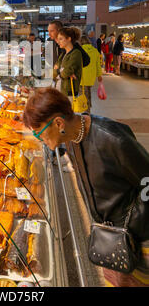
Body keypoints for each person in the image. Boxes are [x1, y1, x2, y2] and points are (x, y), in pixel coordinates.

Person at [23, 87, 149, 287]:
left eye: (40, 135)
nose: (41, 141)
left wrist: (135, 222)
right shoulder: (73, 137)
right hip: (108, 238)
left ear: (58, 123)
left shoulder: (113, 139)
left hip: (136, 239)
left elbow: (146, 180)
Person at [53, 27, 83, 98]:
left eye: (61, 39)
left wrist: (59, 72)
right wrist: (60, 71)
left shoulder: (76, 53)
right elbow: (54, 71)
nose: (58, 41)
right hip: (59, 90)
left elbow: (66, 72)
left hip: (69, 92)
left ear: (69, 39)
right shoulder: (63, 54)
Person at [80, 35, 103, 113]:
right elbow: (98, 65)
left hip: (81, 78)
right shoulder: (95, 51)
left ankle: (86, 112)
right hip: (91, 77)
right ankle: (88, 108)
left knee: (83, 96)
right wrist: (99, 75)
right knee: (88, 92)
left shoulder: (79, 51)